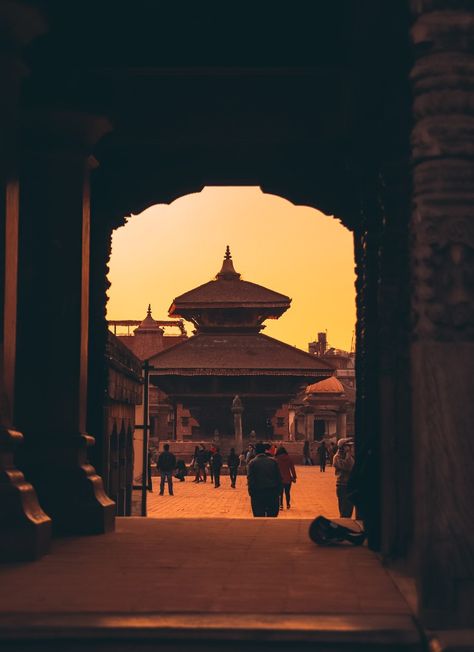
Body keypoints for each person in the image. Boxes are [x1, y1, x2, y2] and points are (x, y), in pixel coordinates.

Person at [247, 442, 282, 517]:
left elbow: (251, 480)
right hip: (272, 493)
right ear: (264, 451)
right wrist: (278, 492)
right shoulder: (273, 462)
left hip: (258, 494)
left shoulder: (252, 463)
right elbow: (279, 478)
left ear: (255, 451)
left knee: (259, 519)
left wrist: (251, 493)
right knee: (272, 518)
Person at [333, 438, 355, 517]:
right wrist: (348, 454)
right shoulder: (337, 457)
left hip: (350, 485)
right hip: (342, 485)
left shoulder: (350, 457)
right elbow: (348, 466)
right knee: (344, 510)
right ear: (342, 447)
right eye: (347, 446)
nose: (350, 448)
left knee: (349, 509)